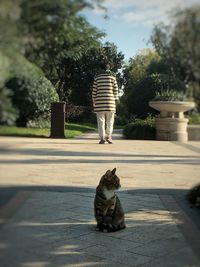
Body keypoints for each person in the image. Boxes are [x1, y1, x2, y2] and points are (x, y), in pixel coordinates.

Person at [92, 63, 119, 144]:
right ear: (109, 68)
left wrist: (94, 102)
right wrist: (115, 101)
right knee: (110, 121)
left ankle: (102, 138)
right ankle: (109, 136)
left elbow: (94, 92)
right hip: (110, 103)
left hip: (99, 103)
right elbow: (116, 91)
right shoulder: (112, 78)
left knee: (101, 121)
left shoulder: (97, 79)